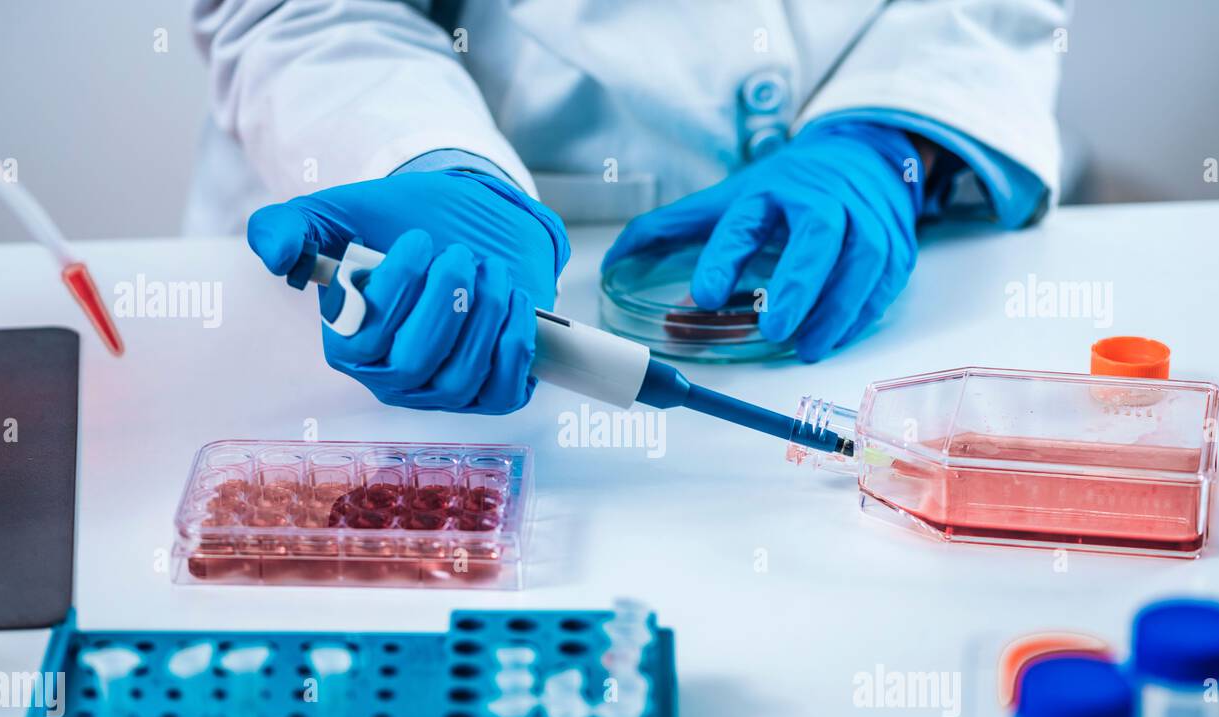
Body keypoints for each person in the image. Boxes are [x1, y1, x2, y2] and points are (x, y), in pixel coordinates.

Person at [188, 0, 1067, 413]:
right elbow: (305, 13)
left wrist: (893, 131)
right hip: (447, 248)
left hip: (879, 245)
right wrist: (433, 162)